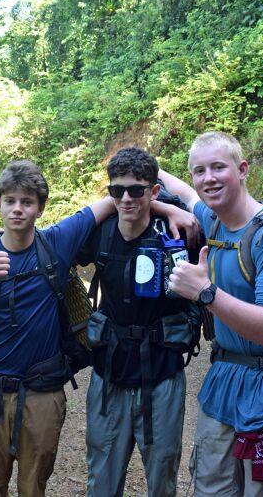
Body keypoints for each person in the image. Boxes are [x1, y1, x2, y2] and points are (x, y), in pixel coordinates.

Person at [0, 159, 198, 497]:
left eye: (27, 202)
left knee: (34, 487)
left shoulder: (56, 243)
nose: (17, 210)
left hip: (43, 390)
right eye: (9, 201)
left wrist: (163, 208)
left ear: (40, 208)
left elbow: (115, 202)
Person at [160, 132, 263, 496]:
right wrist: (151, 174)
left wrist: (205, 293)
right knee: (210, 488)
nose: (208, 179)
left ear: (243, 169)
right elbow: (185, 193)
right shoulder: (214, 220)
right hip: (224, 387)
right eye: (200, 170)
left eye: (219, 167)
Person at [77, 147, 202, 497]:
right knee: (101, 476)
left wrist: (171, 208)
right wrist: (9, 230)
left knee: (162, 474)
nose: (127, 198)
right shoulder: (97, 234)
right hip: (109, 371)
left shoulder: (180, 234)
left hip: (161, 370)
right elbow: (48, 244)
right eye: (117, 191)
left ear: (155, 191)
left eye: (137, 190)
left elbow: (229, 222)